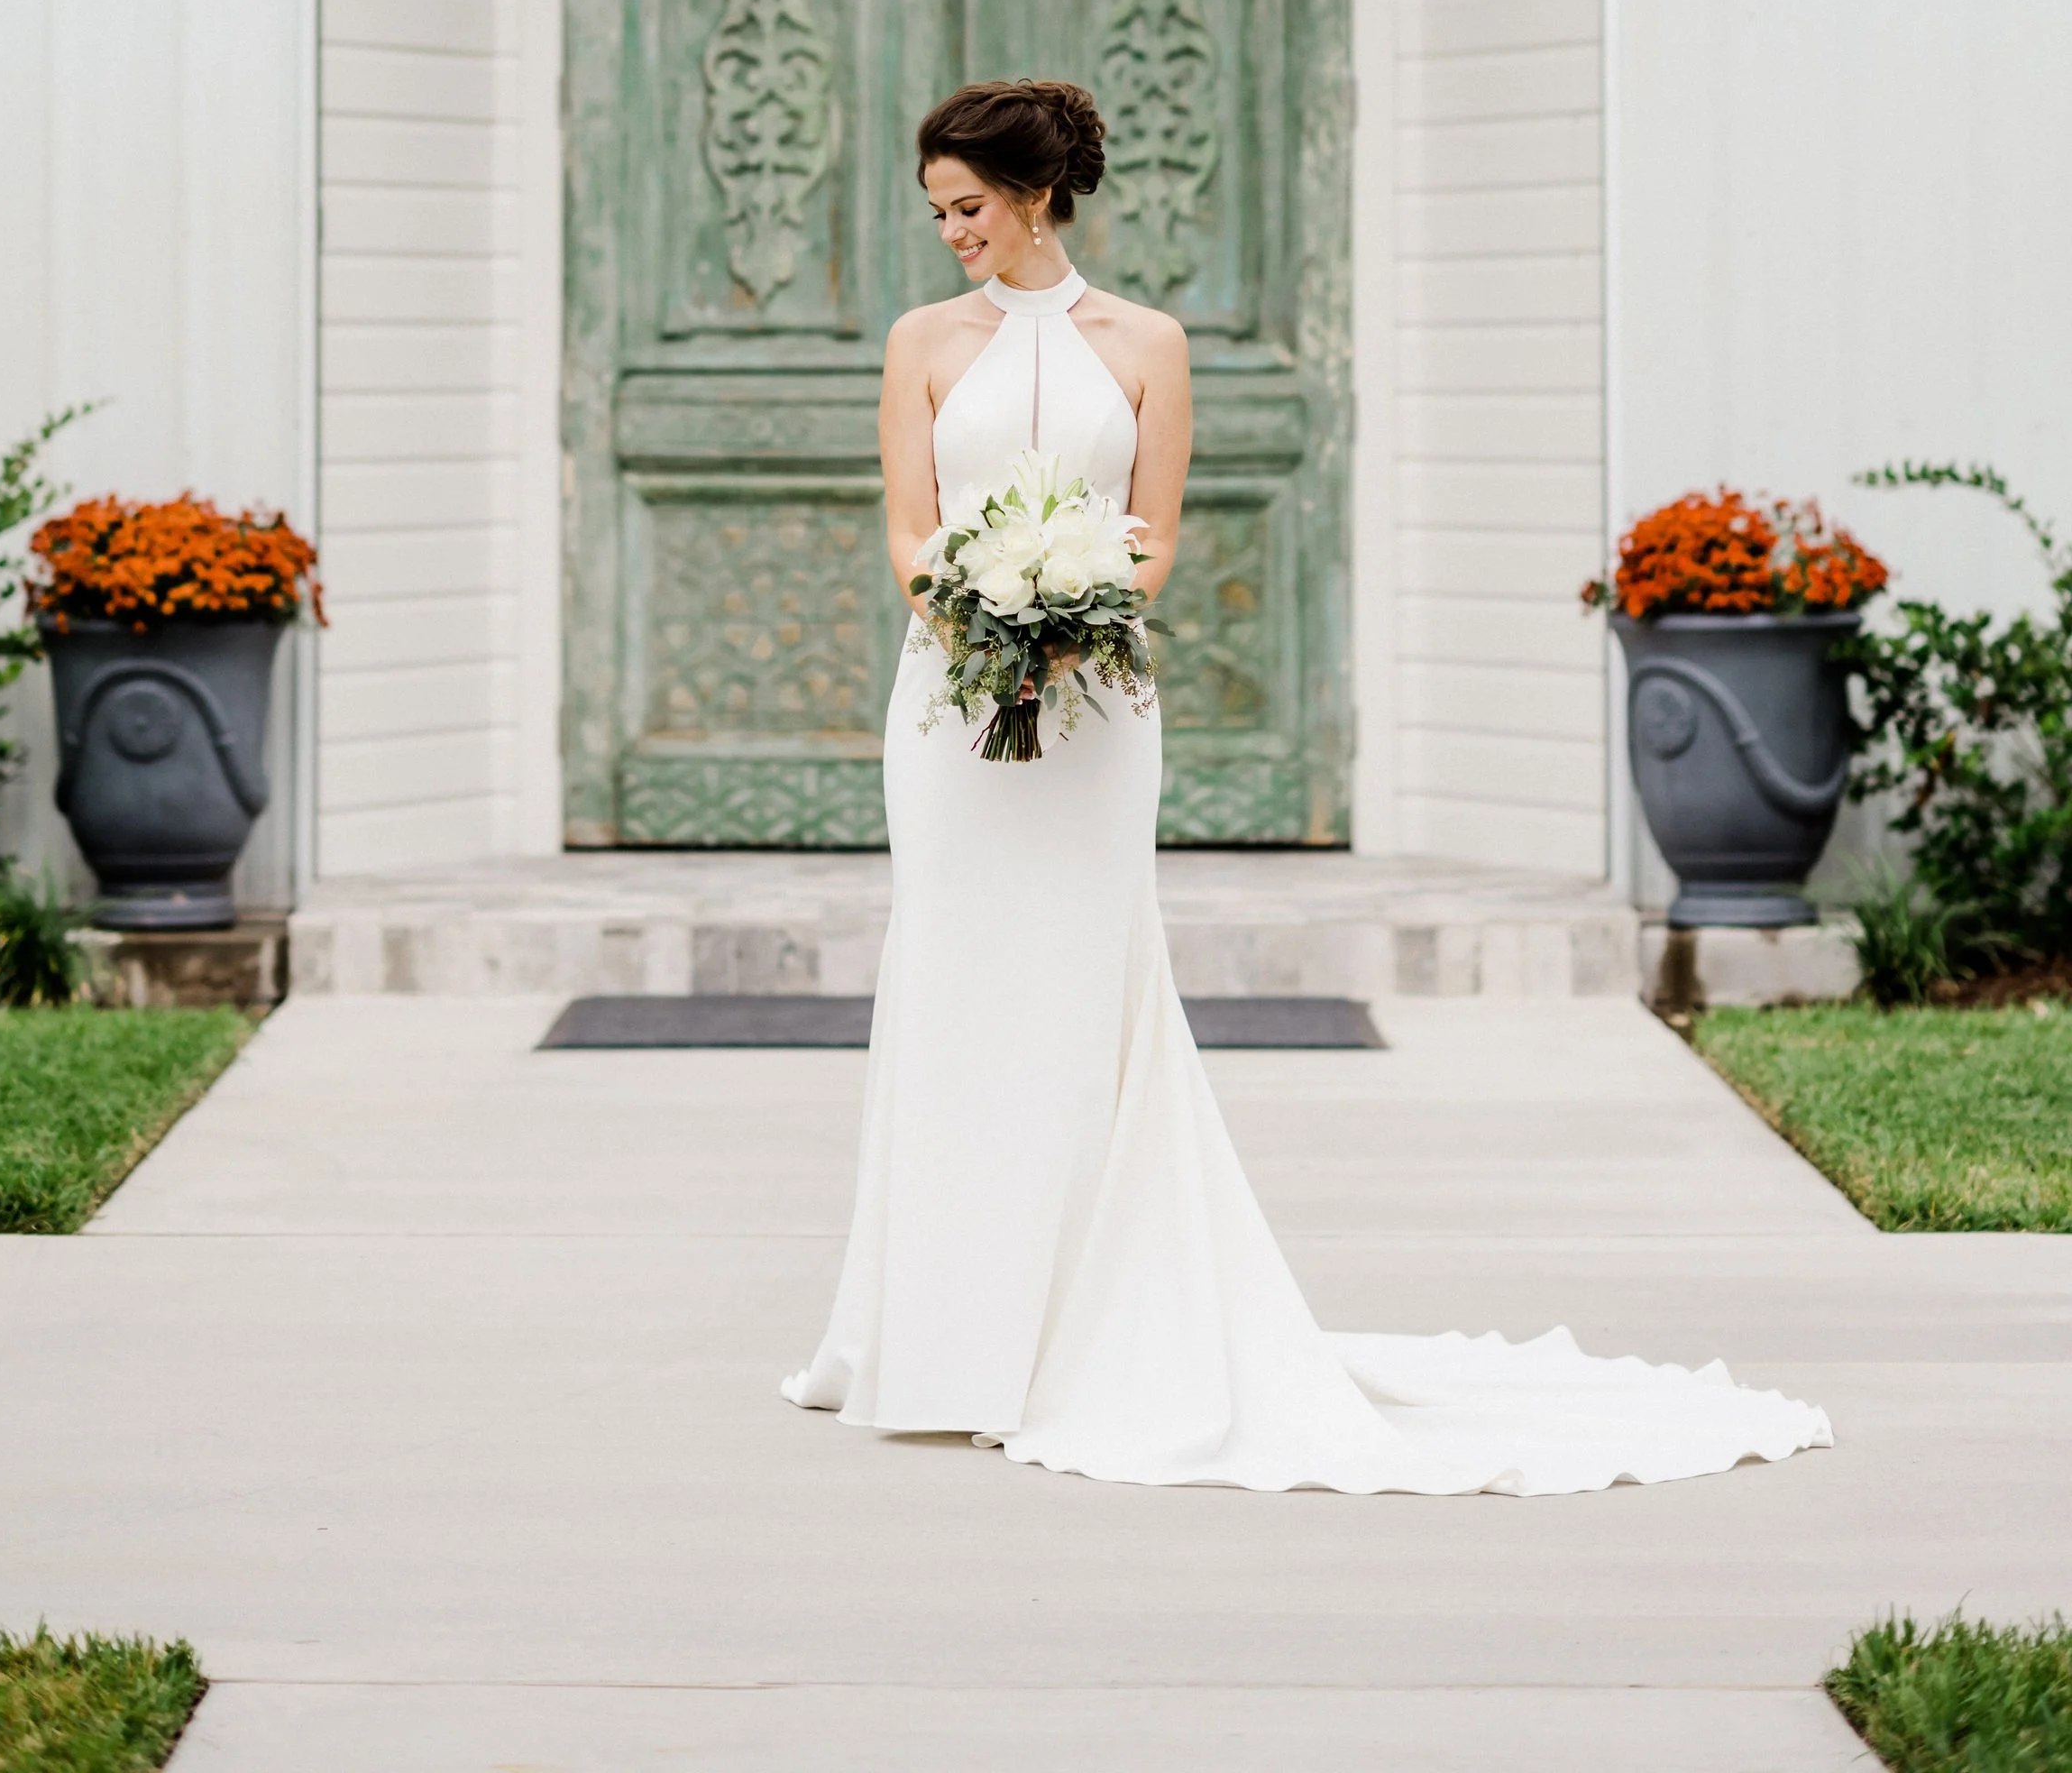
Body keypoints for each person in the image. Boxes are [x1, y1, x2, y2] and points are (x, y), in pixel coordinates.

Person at [784, 78, 1830, 1493]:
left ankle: (1083, 1323)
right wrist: (974, 615)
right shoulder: (919, 343)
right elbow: (911, 527)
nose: (952, 234)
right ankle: (934, 1335)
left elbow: (1150, 542)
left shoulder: (1148, 344)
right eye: (936, 215)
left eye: (967, 209)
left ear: (1036, 196)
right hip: (949, 707)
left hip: (1095, 708)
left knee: (1084, 980)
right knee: (957, 973)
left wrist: (1073, 615)